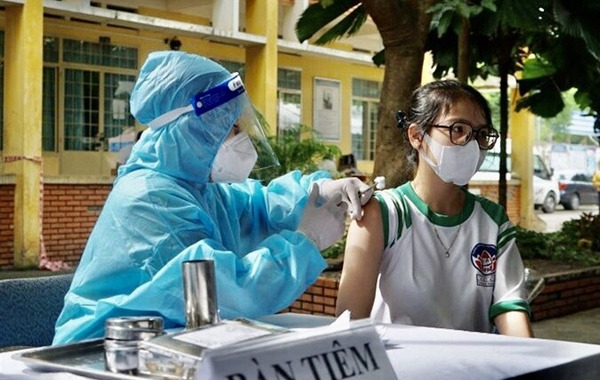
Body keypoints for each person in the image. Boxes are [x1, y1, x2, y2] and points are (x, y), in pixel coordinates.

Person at [53, 51, 373, 344]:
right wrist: (307, 240)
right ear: (189, 128)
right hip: (102, 350)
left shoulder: (199, 188)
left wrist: (317, 191)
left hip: (165, 342)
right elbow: (225, 289)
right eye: (230, 128)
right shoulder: (150, 198)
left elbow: (259, 206)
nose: (240, 138)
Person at [336, 79, 534, 338]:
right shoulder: (382, 214)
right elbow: (350, 323)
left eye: (481, 134)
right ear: (417, 135)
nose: (471, 144)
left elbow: (510, 309)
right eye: (458, 129)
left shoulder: (492, 220)